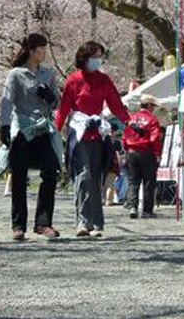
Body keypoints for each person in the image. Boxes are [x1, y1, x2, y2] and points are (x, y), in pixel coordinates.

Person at [55, 40, 131, 238]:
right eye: (95, 56)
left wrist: (129, 122)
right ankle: (82, 221)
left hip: (98, 133)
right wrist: (56, 130)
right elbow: (63, 109)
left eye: (100, 56)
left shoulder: (104, 80)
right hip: (79, 133)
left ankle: (97, 223)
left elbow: (115, 104)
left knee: (97, 177)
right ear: (84, 57)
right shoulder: (72, 80)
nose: (98, 60)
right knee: (83, 177)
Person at [0, 33, 62, 241]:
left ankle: (43, 223)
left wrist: (51, 97)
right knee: (18, 176)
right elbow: (7, 101)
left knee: (51, 172)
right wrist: (5, 126)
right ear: (31, 51)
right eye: (41, 49)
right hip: (23, 129)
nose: (45, 53)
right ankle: (18, 225)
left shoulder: (48, 74)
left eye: (45, 49)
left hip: (43, 129)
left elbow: (57, 104)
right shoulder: (16, 74)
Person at [123, 94, 164, 219]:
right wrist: (157, 153)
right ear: (150, 105)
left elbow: (124, 137)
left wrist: (127, 149)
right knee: (148, 182)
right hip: (146, 152)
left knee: (133, 181)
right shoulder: (152, 120)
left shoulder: (131, 119)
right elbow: (154, 138)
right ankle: (147, 210)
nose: (154, 109)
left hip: (131, 151)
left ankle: (133, 207)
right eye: (154, 106)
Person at [104, 124, 123, 206]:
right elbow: (120, 151)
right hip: (113, 162)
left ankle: (105, 199)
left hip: (104, 163)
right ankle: (109, 200)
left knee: (105, 182)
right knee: (111, 183)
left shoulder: (104, 139)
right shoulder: (116, 141)